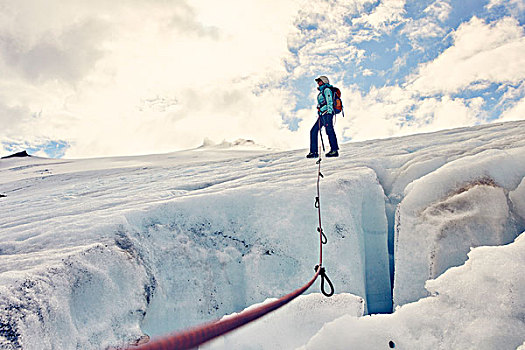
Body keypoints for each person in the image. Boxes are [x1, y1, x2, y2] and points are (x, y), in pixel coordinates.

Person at [306, 76, 339, 158]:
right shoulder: (322, 91)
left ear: (324, 81)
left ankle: (334, 150)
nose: (318, 83)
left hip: (327, 113)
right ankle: (313, 152)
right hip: (322, 114)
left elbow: (329, 101)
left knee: (329, 130)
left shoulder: (327, 90)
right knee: (313, 131)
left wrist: (329, 111)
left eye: (319, 81)